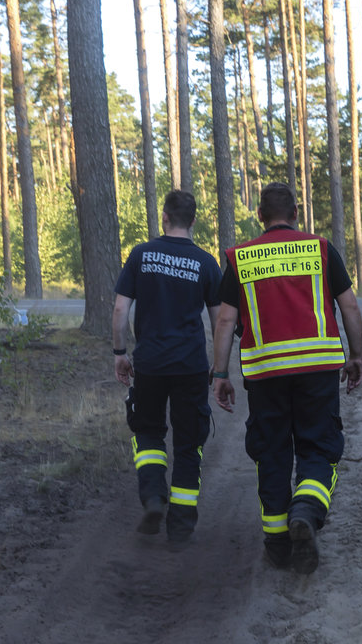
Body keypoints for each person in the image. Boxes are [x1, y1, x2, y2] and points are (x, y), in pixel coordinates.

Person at [211, 182, 362, 575]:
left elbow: (226, 319)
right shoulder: (320, 249)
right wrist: (357, 355)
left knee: (272, 451)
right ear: (296, 214)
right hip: (318, 368)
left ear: (260, 217)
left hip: (266, 373)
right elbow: (348, 305)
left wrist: (220, 372)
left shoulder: (241, 258)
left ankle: (278, 543)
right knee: (318, 447)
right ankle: (306, 511)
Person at [112, 190, 223, 548]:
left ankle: (154, 498)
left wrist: (120, 352)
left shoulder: (141, 255)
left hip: (150, 363)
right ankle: (180, 527)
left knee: (147, 433)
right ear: (193, 221)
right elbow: (220, 320)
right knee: (190, 444)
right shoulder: (206, 263)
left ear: (164, 217)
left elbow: (119, 310)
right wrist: (219, 369)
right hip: (190, 365)